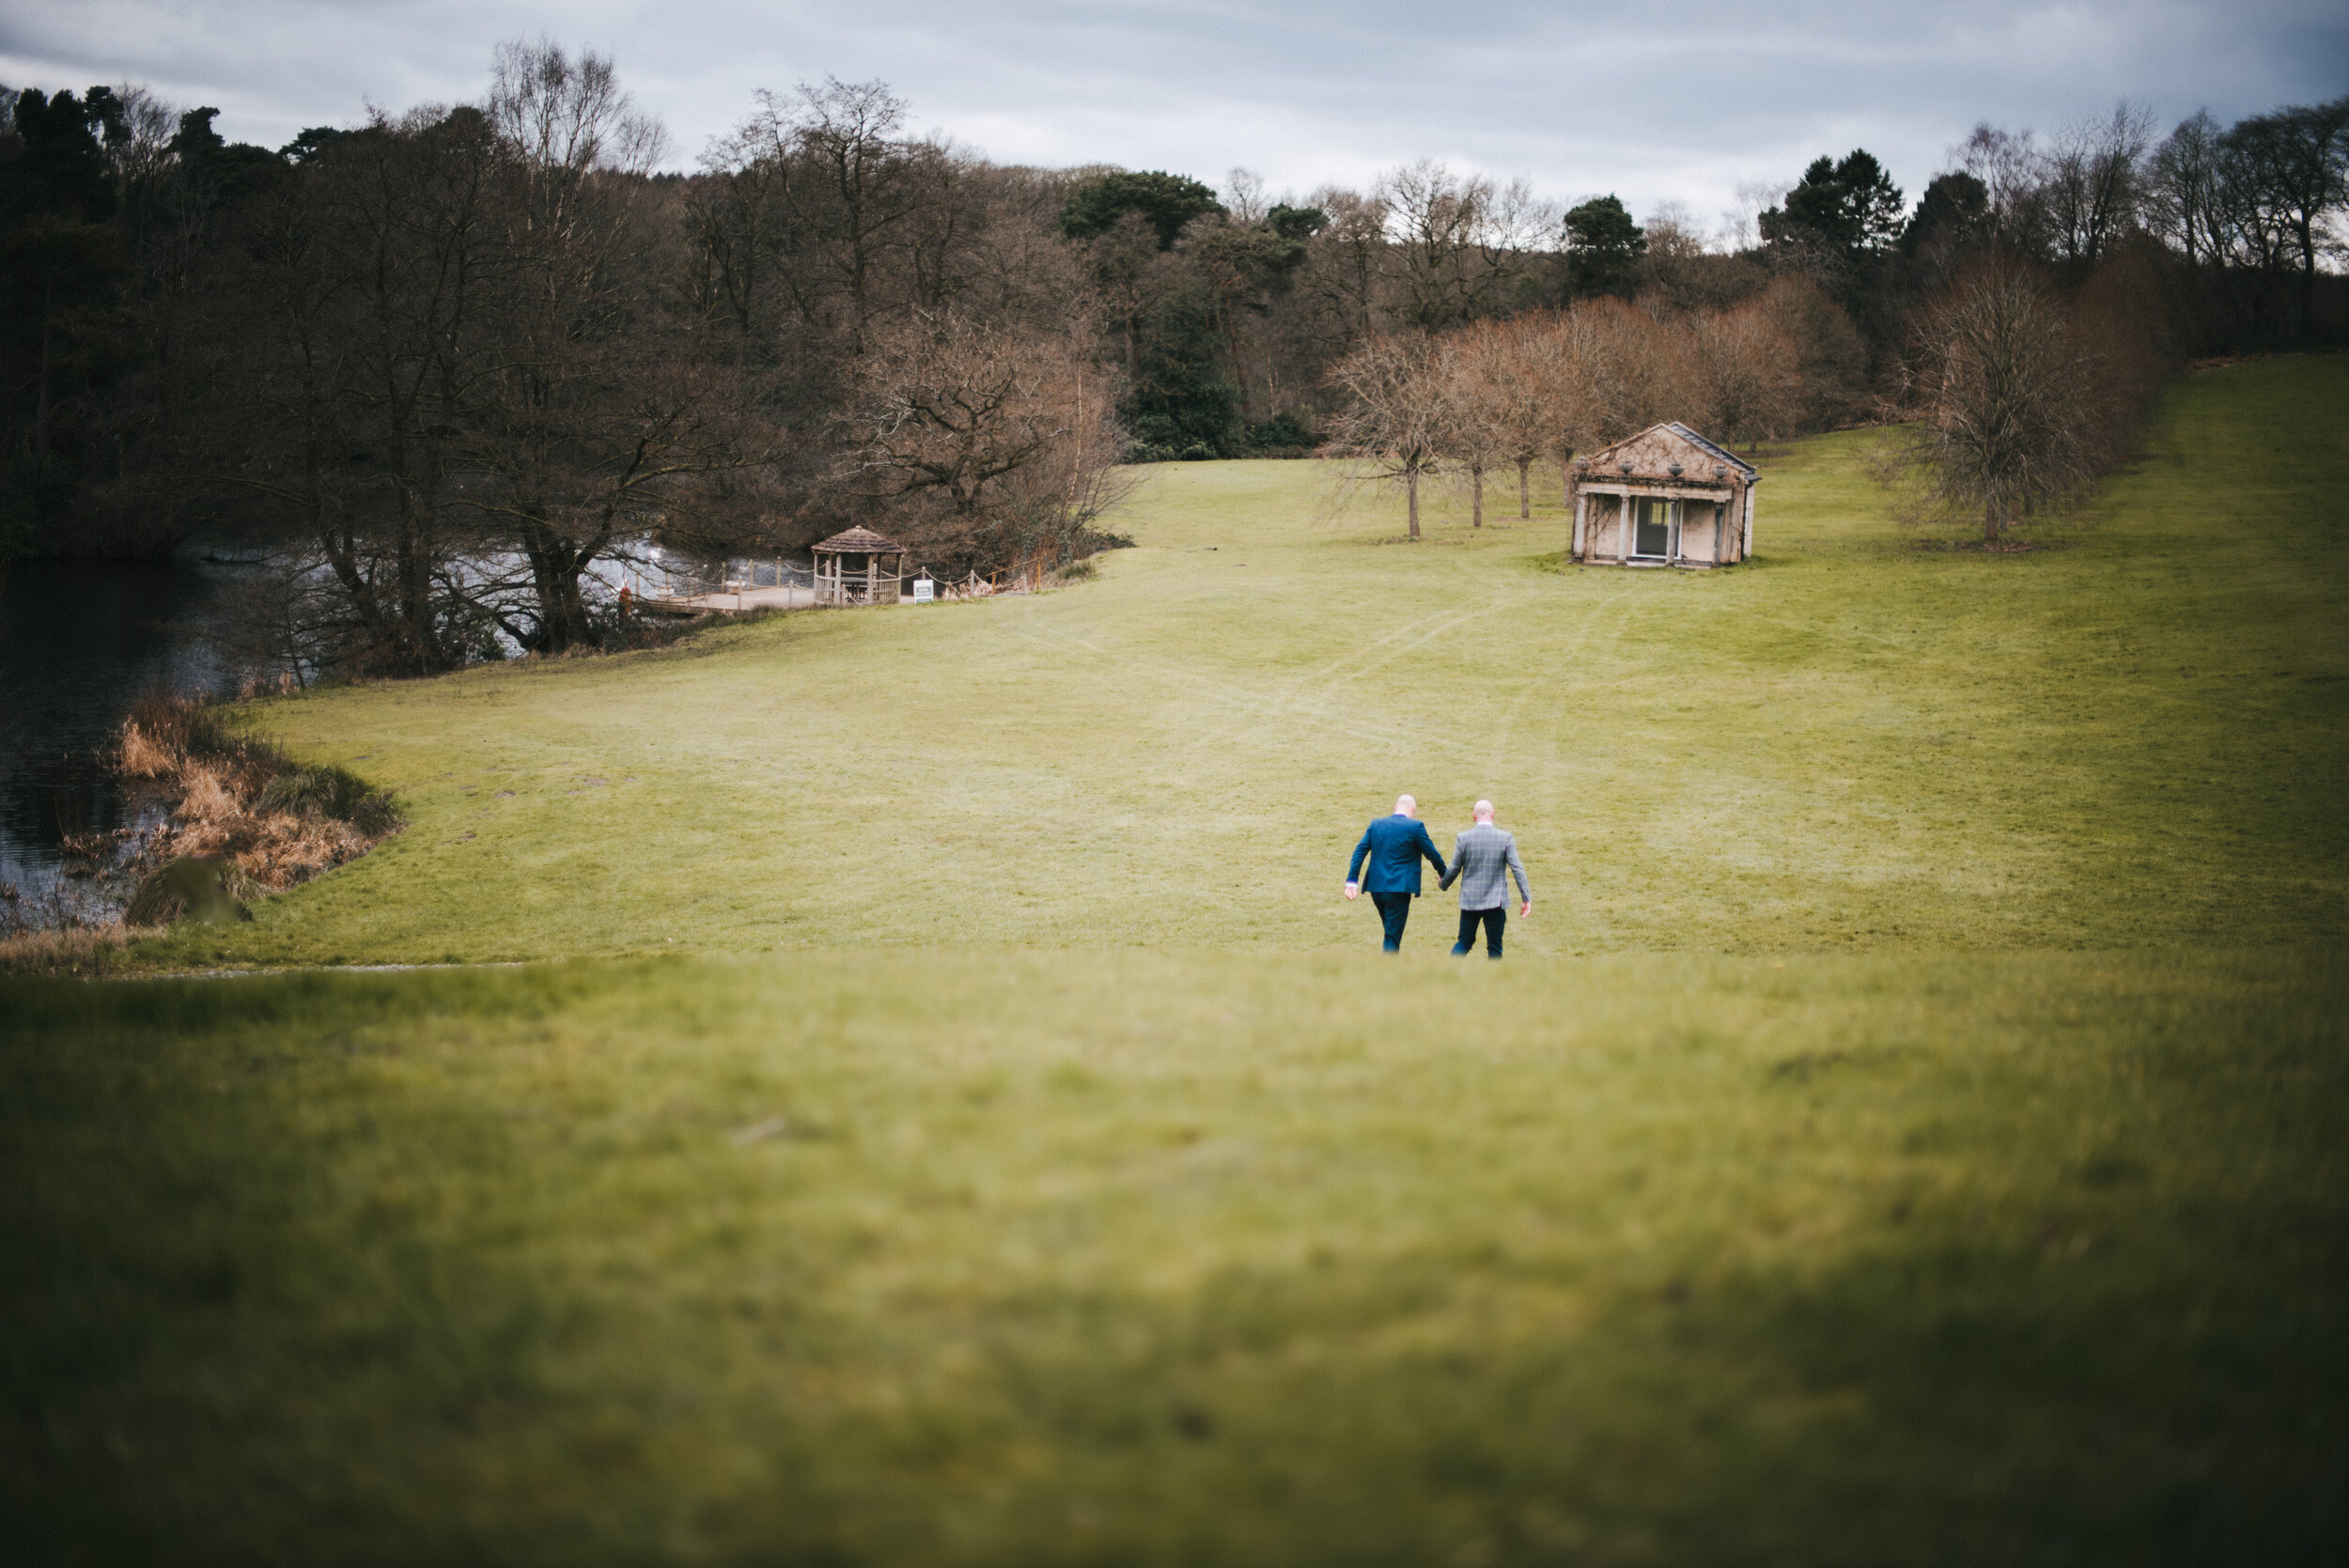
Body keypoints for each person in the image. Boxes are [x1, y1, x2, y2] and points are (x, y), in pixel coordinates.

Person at [1345, 794, 1449, 954]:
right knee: (1392, 937)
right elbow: (1432, 854)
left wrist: (1352, 882)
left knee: (1390, 932)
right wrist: (1445, 876)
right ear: (1413, 809)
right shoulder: (1415, 827)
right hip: (1399, 889)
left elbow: (1359, 851)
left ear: (1395, 808)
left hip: (1376, 888)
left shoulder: (1376, 824)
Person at [1439, 800, 1532, 959]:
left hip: (1470, 901)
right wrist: (1526, 898)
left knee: (1464, 942)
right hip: (1496, 901)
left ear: (1474, 816)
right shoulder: (1505, 838)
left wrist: (1443, 883)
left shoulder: (1463, 838)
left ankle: (1447, 975)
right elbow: (1517, 869)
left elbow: (1454, 868)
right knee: (1495, 947)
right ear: (1493, 814)